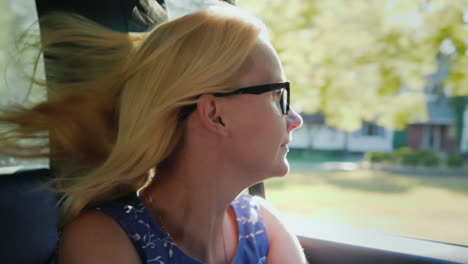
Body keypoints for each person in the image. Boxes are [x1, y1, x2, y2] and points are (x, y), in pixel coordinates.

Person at [0, 2, 306, 264]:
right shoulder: (102, 239)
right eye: (278, 96)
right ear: (215, 114)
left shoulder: (262, 223)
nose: (295, 119)